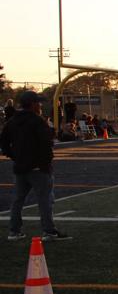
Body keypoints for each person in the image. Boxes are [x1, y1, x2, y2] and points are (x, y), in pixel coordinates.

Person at [0, 91, 70, 241]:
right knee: (45, 200)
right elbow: (46, 143)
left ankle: (14, 231)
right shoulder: (37, 121)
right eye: (38, 103)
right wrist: (45, 162)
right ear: (32, 104)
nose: (40, 105)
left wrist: (16, 156)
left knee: (18, 200)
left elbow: (4, 143)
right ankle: (49, 231)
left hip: (20, 167)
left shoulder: (12, 121)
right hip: (38, 168)